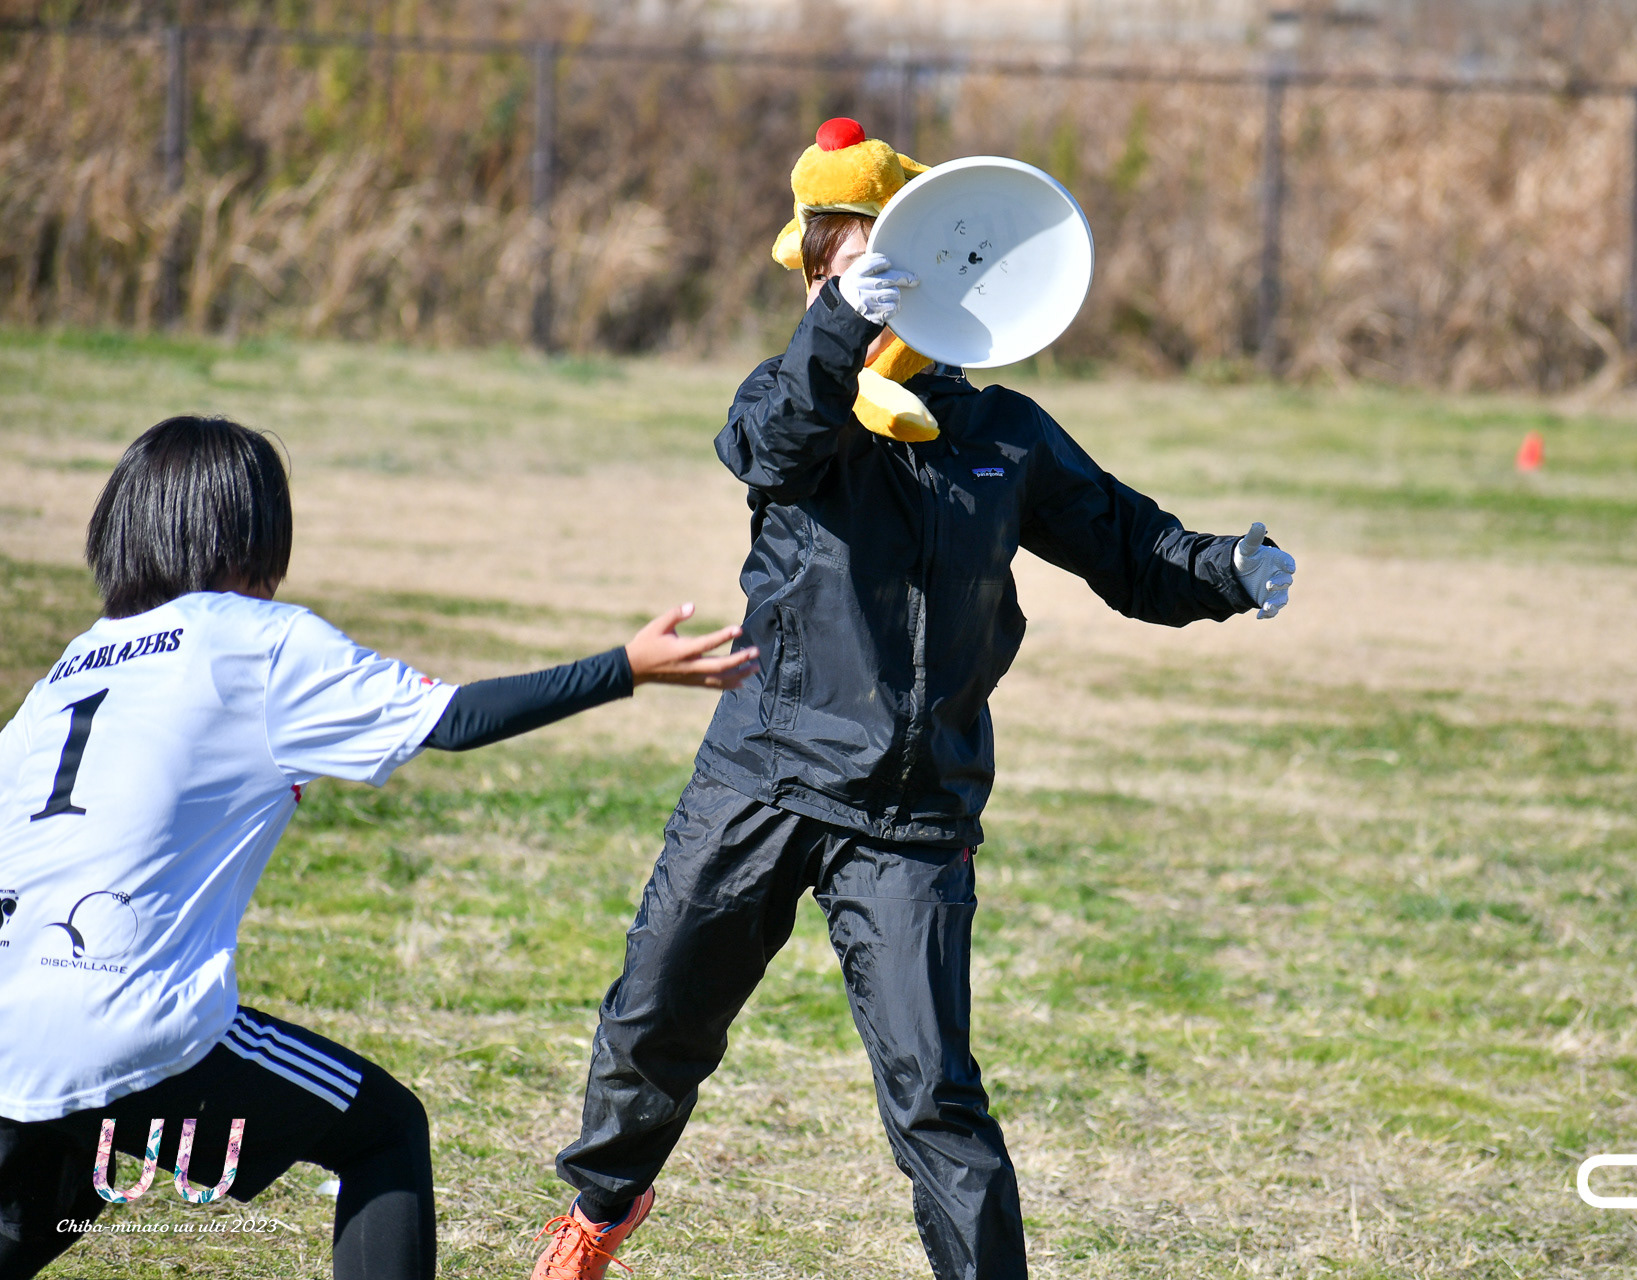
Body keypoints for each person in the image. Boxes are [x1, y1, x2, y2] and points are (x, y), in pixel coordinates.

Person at [530, 119, 1296, 1280]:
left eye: (869, 267)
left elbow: (1130, 546)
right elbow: (767, 444)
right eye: (828, 271)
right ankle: (599, 1208)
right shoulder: (798, 404)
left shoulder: (1001, 435)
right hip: (765, 768)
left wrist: (1228, 567)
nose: (842, 288)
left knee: (936, 1095)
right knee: (655, 1016)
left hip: (915, 813)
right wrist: (840, 331)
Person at [0, 416, 758, 1280]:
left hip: (10, 1020)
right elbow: (455, 719)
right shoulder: (255, 641)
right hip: (128, 1023)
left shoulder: (73, 667)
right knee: (381, 1131)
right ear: (252, 530)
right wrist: (625, 667)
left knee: (51, 1194)